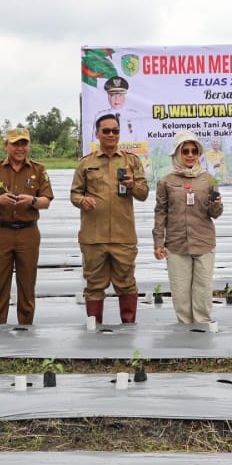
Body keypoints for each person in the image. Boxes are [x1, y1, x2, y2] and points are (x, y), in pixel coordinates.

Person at [70, 113, 148, 324]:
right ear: (97, 133)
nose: (111, 135)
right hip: (94, 237)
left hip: (123, 237)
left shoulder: (131, 161)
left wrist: (133, 185)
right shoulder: (86, 163)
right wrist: (82, 200)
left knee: (126, 283)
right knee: (94, 285)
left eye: (115, 131)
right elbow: (74, 194)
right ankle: (94, 330)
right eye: (106, 131)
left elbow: (143, 194)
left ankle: (128, 328)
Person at [0, 127, 54, 325]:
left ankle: (25, 329)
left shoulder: (38, 169)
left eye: (24, 143)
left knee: (27, 284)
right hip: (0, 232)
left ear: (29, 145)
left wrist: (32, 200)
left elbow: (46, 201)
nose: (20, 148)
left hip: (28, 232)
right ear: (6, 146)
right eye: (15, 144)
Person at [152, 131, 223, 324]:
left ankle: (202, 331)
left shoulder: (209, 179)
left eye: (194, 151)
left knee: (203, 291)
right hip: (176, 244)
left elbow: (216, 214)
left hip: (203, 242)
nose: (190, 155)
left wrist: (215, 205)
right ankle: (184, 334)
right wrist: (159, 242)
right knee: (180, 293)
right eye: (185, 151)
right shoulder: (166, 182)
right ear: (177, 154)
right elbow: (160, 213)